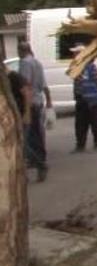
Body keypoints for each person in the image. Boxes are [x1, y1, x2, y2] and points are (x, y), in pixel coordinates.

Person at [18, 41, 52, 181]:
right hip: (38, 100)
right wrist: (48, 100)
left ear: (21, 51)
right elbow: (43, 84)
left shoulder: (25, 63)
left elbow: (26, 84)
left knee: (29, 135)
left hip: (30, 102)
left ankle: (38, 162)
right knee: (38, 133)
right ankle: (40, 158)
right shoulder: (37, 63)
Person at [70, 43, 97, 152]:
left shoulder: (90, 66)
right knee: (80, 123)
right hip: (81, 98)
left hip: (92, 99)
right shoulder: (76, 66)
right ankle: (80, 145)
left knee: (95, 122)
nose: (73, 55)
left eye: (75, 53)